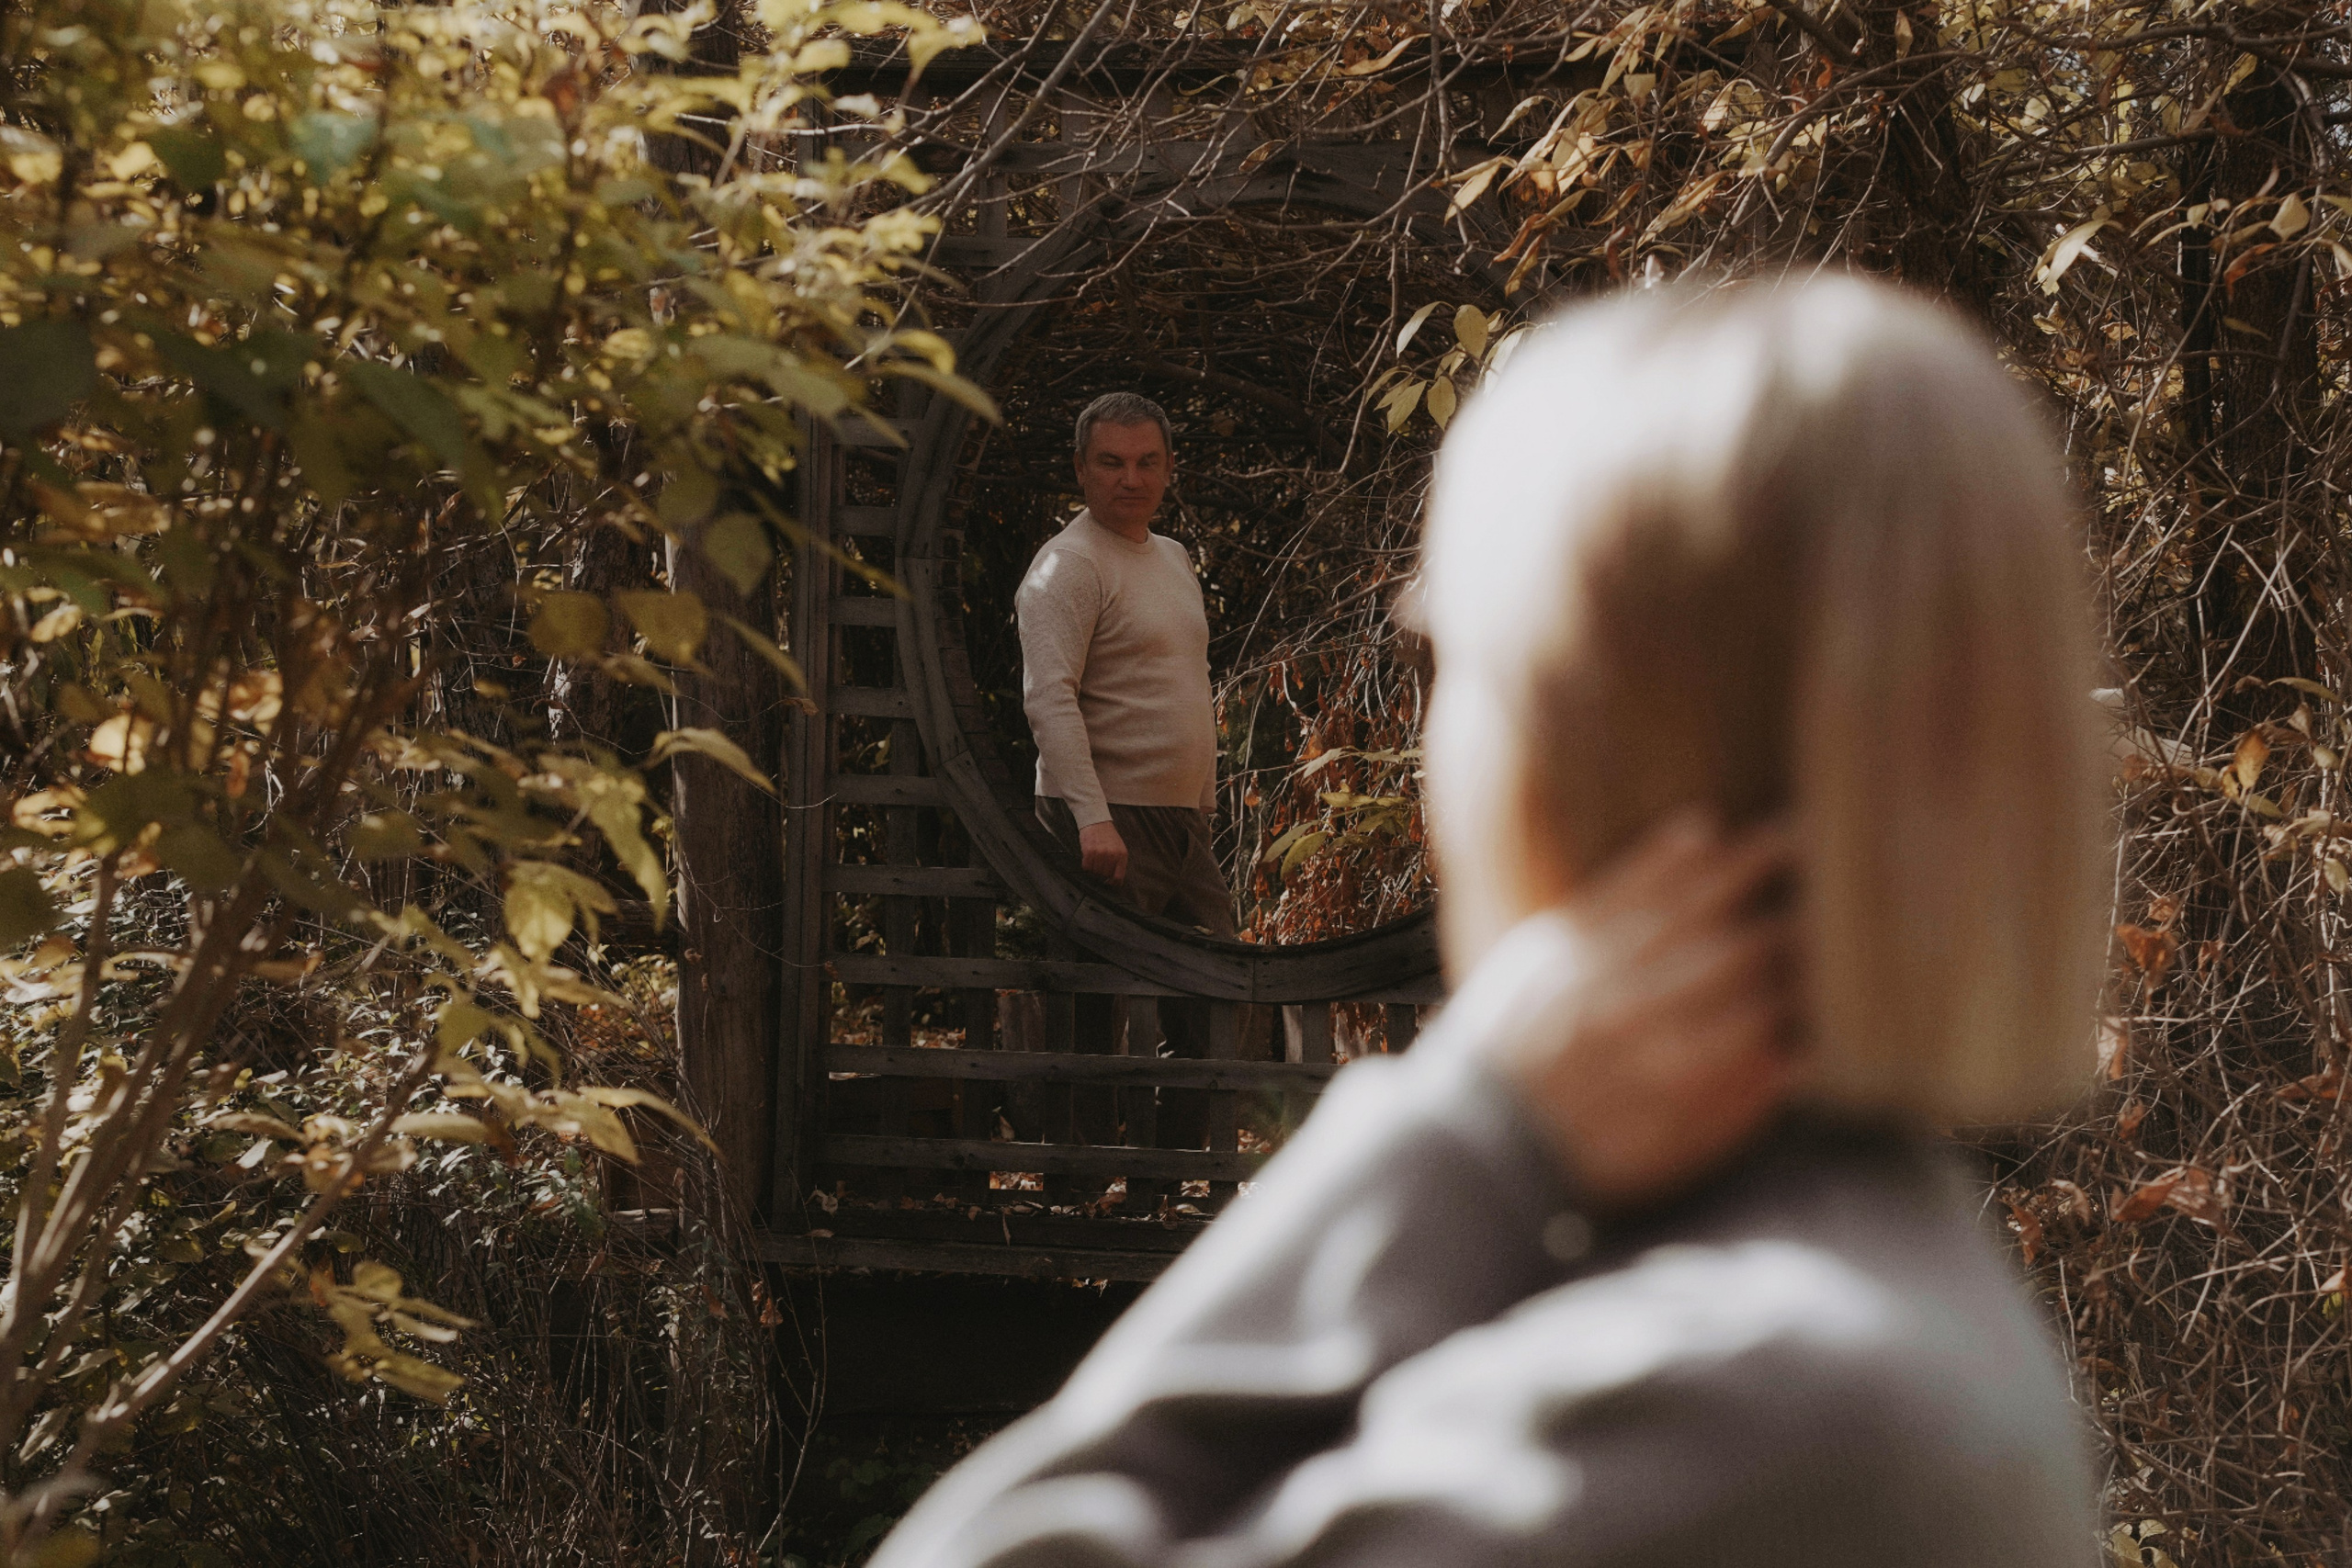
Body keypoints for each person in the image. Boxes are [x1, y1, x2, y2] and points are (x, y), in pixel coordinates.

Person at [878, 275, 2108, 1567]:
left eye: (1455, 665)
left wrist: (1469, 1134)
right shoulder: (1836, 1327)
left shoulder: (1744, 1403)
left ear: (1588, 744)